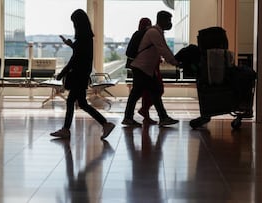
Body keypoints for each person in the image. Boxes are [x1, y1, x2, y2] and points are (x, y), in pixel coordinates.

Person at [50, 9, 115, 139]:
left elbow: (75, 59)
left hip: (78, 75)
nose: (74, 25)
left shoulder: (82, 38)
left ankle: (66, 129)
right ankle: (105, 124)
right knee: (82, 103)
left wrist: (62, 73)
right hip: (83, 74)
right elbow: (81, 53)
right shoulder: (86, 37)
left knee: (71, 102)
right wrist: (71, 45)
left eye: (74, 22)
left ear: (78, 23)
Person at [122, 10, 179, 127]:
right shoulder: (153, 32)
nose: (170, 23)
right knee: (148, 92)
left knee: (152, 92)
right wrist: (174, 62)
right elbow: (163, 49)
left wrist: (173, 61)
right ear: (161, 20)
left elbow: (164, 49)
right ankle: (161, 117)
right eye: (168, 20)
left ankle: (161, 117)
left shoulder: (157, 32)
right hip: (142, 68)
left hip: (145, 68)